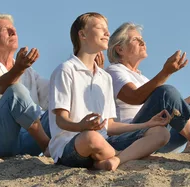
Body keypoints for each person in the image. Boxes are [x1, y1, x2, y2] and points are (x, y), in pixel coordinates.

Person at [48, 13, 171, 171]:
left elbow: (110, 126)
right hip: (72, 146)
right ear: (82, 34)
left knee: (161, 133)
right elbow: (61, 121)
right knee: (91, 137)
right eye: (100, 28)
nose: (107, 33)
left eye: (107, 29)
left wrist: (147, 124)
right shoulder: (66, 70)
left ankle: (115, 160)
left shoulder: (104, 77)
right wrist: (81, 125)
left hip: (104, 143)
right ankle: (124, 155)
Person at [0, 13, 50, 160]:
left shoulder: (29, 72)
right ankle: (48, 147)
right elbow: (0, 86)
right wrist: (18, 69)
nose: (13, 32)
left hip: (25, 140)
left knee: (62, 106)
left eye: (14, 29)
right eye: (6, 30)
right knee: (15, 90)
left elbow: (54, 95)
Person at [106, 22, 190, 153]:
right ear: (120, 49)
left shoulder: (143, 78)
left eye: (142, 40)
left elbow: (173, 104)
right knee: (166, 92)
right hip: (131, 136)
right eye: (136, 40)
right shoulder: (114, 71)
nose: (143, 43)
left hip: (162, 134)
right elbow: (134, 97)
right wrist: (166, 72)